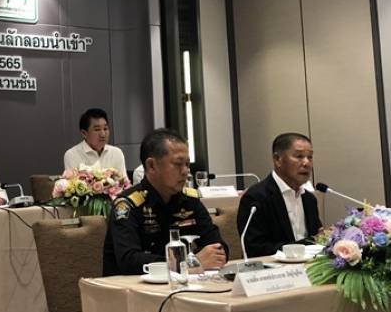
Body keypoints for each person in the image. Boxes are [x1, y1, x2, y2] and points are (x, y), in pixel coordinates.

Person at [103, 128, 228, 276]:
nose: (185, 171)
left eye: (187, 164)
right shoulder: (127, 205)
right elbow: (129, 261)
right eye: (178, 164)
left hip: (185, 285)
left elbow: (219, 247)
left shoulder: (190, 200)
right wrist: (187, 264)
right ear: (151, 166)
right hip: (133, 287)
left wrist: (211, 256)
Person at [237, 132, 322, 257]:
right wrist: (307, 244)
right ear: (278, 159)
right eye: (299, 156)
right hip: (272, 267)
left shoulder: (309, 199)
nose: (306, 163)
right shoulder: (256, 197)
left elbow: (316, 238)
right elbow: (254, 248)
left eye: (310, 157)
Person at [64, 108, 127, 176]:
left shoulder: (116, 153)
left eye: (105, 129)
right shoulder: (72, 155)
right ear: (84, 133)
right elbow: (73, 182)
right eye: (97, 129)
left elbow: (124, 181)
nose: (103, 134)